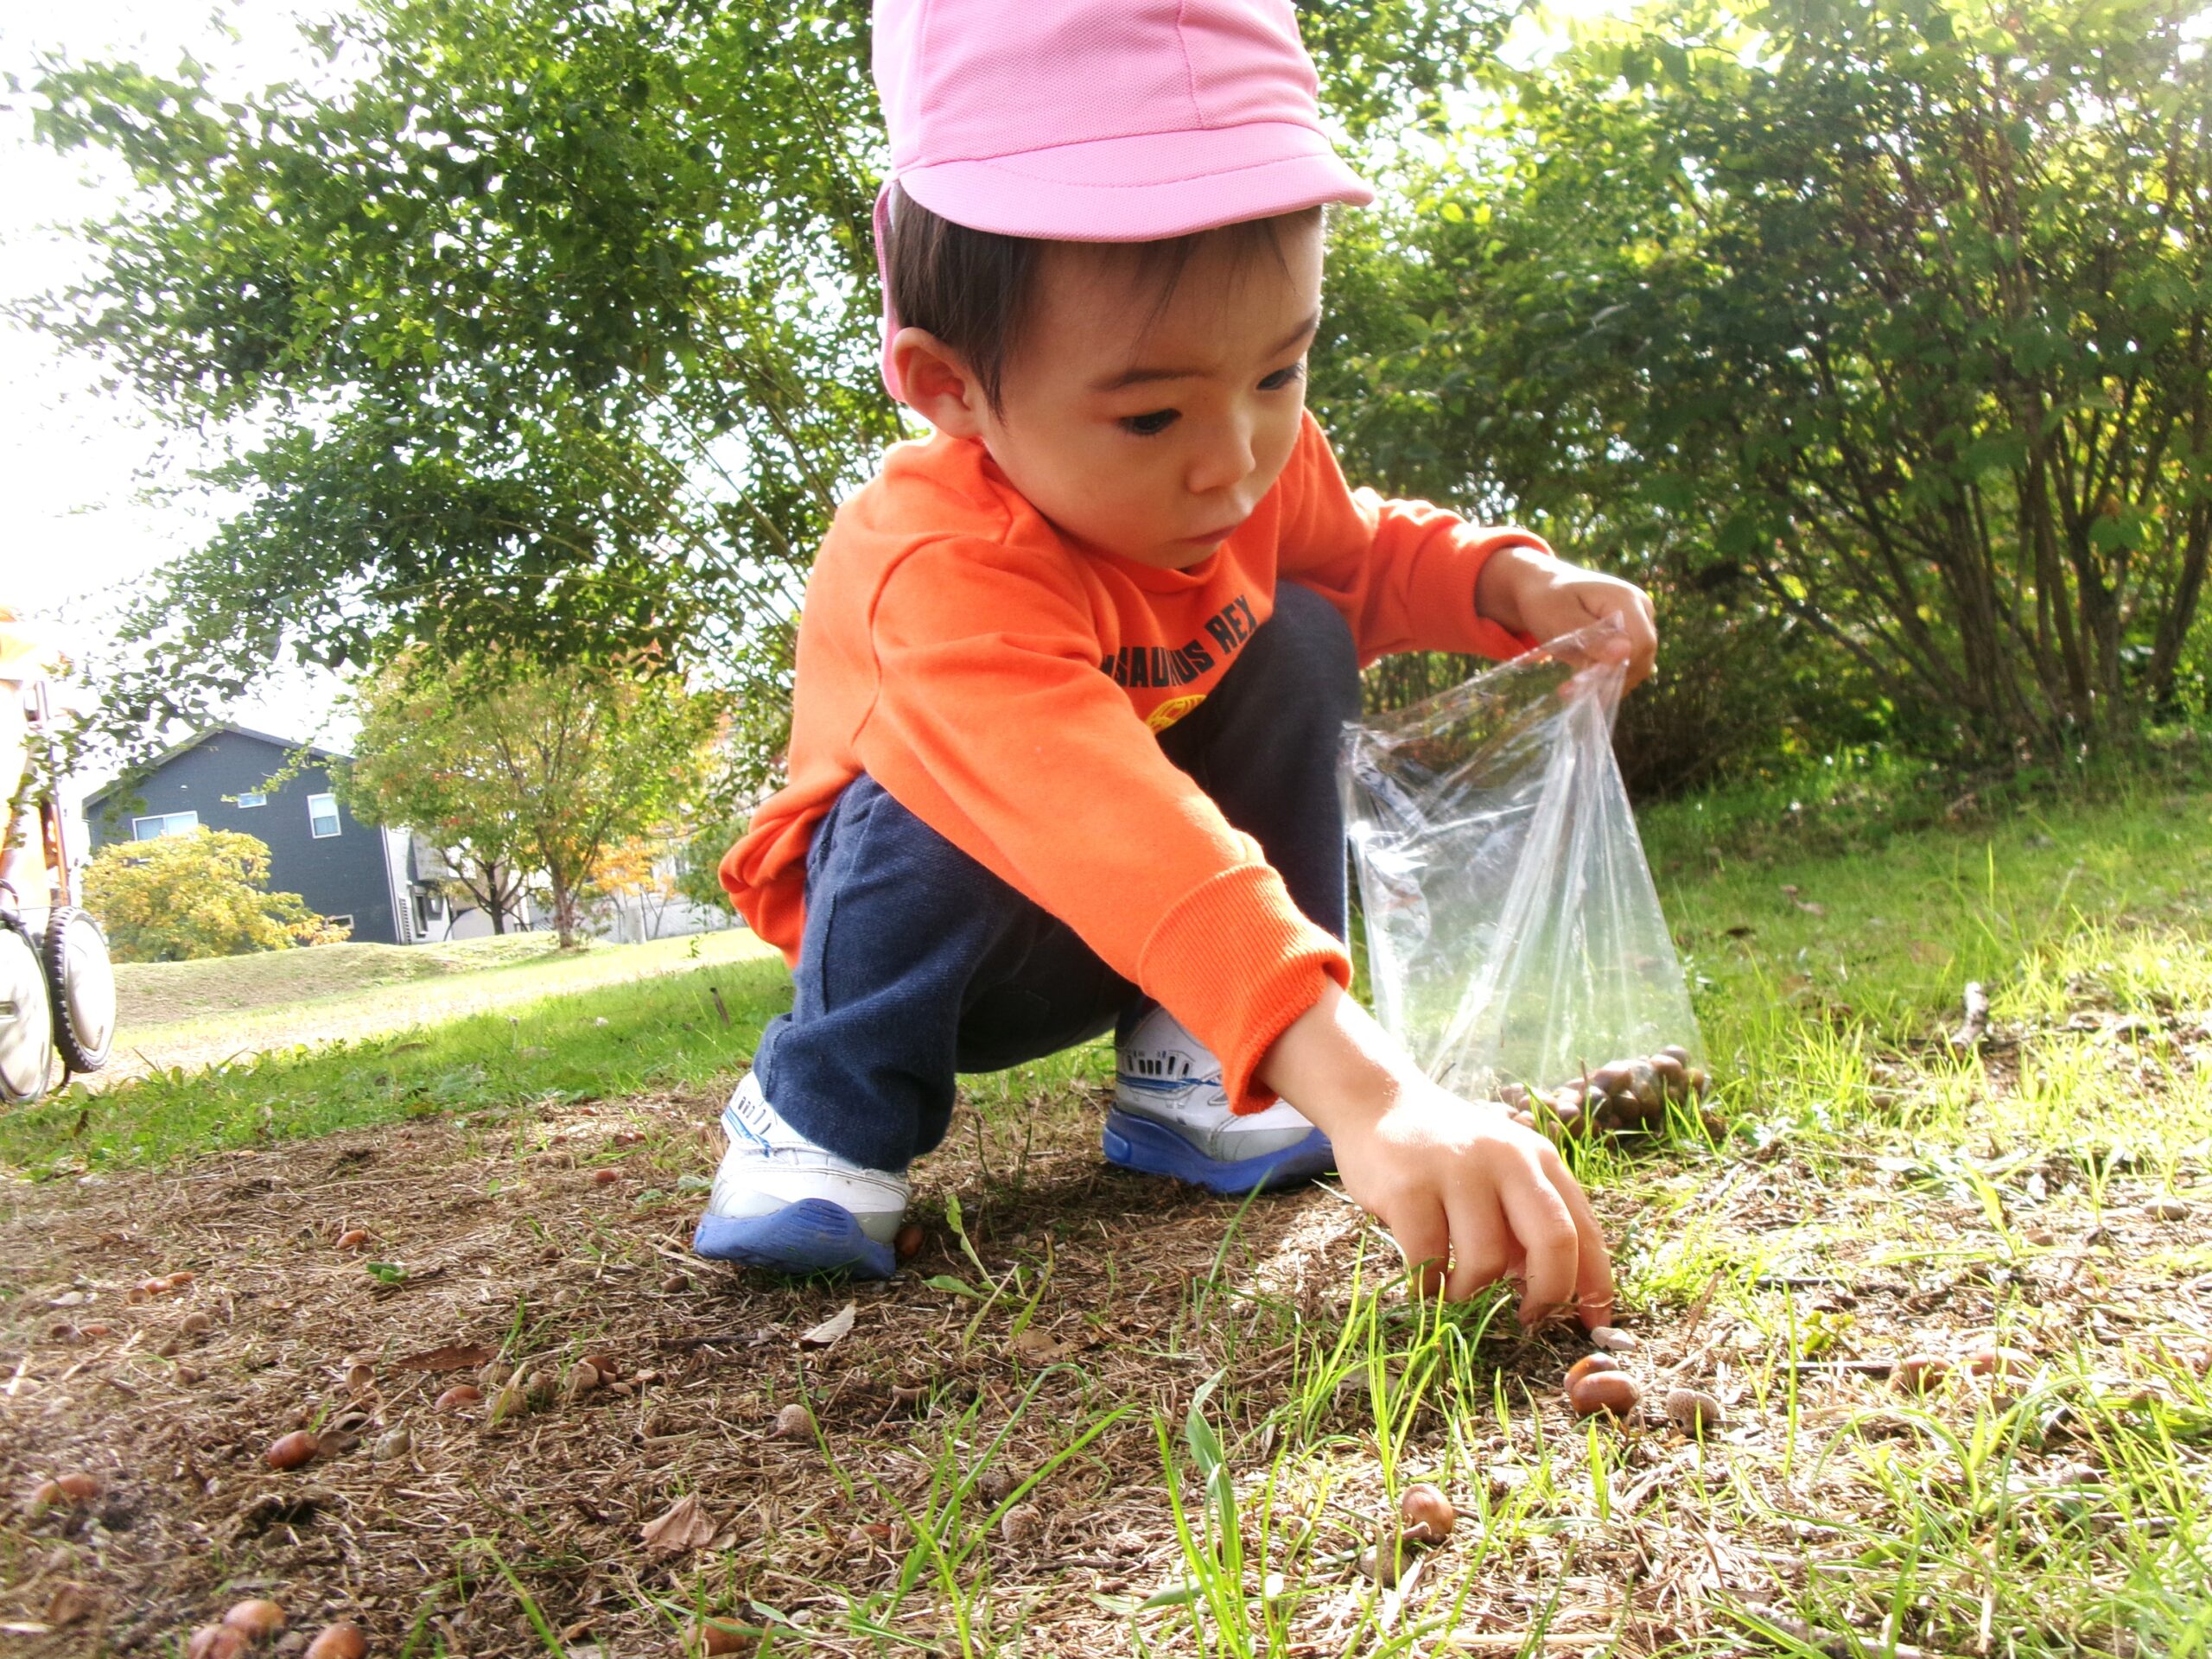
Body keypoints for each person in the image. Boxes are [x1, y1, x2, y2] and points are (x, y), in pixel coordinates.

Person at [696, 0, 1656, 1328]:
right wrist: (1370, 1092)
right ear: (953, 387)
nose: (1235, 461)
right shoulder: (938, 566)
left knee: (1299, 624)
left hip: (1156, 933)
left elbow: (1362, 550)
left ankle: (1200, 1055)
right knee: (930, 803)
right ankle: (821, 1107)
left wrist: (1509, 582)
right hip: (944, 941)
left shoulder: (1243, 465)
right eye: (1151, 414)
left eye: (1280, 372)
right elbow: (1098, 816)